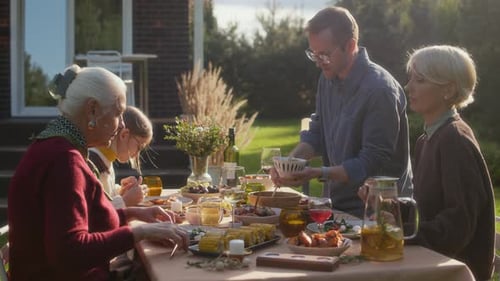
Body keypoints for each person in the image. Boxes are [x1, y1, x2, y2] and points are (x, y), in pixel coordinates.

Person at [7, 65, 188, 281]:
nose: (121, 124)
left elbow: (82, 222)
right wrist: (139, 233)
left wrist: (133, 214)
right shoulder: (64, 161)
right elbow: (69, 252)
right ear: (92, 109)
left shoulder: (53, 146)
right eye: (118, 113)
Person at [272, 6, 412, 217]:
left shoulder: (380, 90)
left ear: (351, 45)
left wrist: (318, 173)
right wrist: (288, 166)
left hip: (379, 213)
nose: (319, 63)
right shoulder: (327, 78)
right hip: (338, 206)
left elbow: (370, 163)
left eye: (325, 55)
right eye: (314, 54)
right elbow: (317, 134)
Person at [405, 45, 494, 280]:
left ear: (449, 90)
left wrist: (403, 234)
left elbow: (458, 224)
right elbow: (432, 210)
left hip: (453, 271)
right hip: (429, 262)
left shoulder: (454, 139)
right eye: (411, 78)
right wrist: (386, 205)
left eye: (420, 80)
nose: (409, 87)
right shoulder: (426, 140)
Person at [89, 106, 152, 209]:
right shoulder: (94, 162)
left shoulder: (106, 158)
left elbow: (105, 195)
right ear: (124, 135)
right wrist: (125, 201)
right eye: (139, 147)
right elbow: (96, 212)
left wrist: (121, 191)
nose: (137, 154)